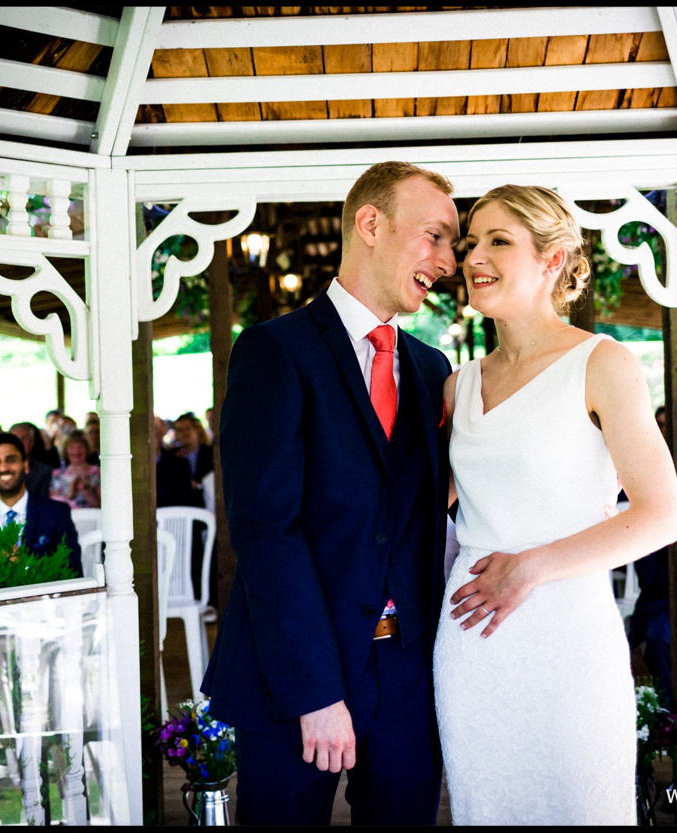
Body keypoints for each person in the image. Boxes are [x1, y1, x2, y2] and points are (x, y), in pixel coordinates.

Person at [201, 161, 458, 825]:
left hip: (407, 677)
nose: (449, 261)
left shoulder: (434, 371)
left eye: (452, 244)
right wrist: (315, 693)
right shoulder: (272, 351)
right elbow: (265, 531)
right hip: (294, 678)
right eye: (435, 236)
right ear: (371, 223)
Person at [434, 184, 677, 824]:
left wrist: (530, 567)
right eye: (470, 243)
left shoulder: (602, 363)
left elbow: (660, 514)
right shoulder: (457, 386)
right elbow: (413, 512)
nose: (473, 257)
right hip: (472, 644)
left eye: (498, 241)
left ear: (553, 258)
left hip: (570, 644)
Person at [0, 432, 81, 576]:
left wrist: (26, 564)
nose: (3, 468)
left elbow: (73, 572)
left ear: (25, 466)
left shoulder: (56, 513)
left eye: (11, 460)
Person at [49, 432, 101, 509]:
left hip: (92, 518)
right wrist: (70, 493)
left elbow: (104, 505)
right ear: (66, 451)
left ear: (87, 449)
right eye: (72, 447)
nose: (76, 451)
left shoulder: (97, 472)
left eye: (80, 447)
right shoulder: (57, 474)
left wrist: (88, 492)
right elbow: (53, 505)